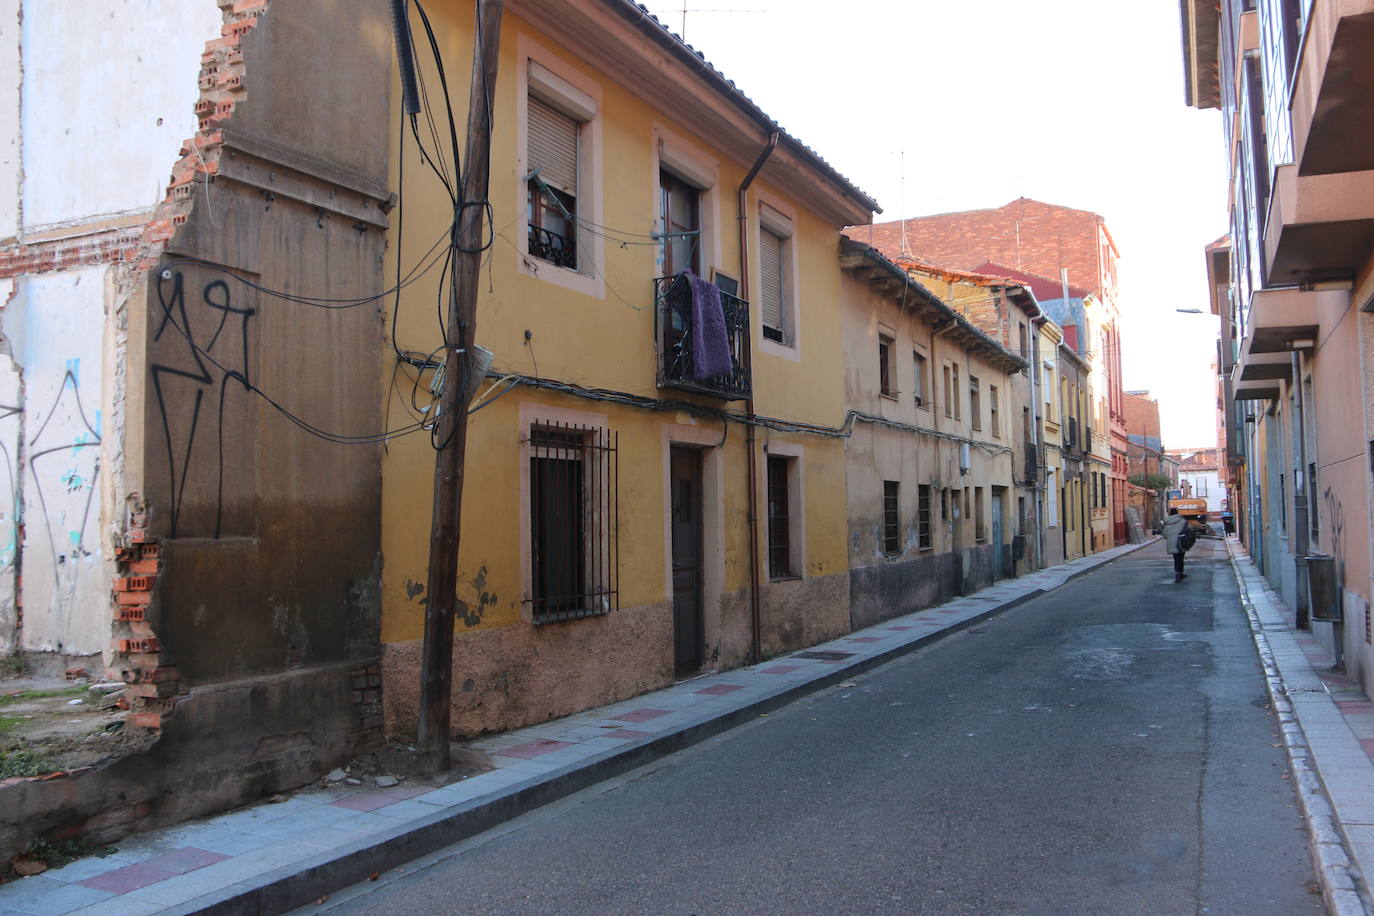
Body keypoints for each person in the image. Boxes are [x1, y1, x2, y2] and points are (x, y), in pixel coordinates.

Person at [1161, 507, 1189, 582]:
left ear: (1170, 513)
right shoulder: (1183, 520)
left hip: (1173, 543)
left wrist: (1170, 538)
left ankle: (1177, 573)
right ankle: (1180, 573)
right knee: (1181, 557)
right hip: (1181, 542)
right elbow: (1188, 530)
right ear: (1177, 512)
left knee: (1176, 558)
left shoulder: (1167, 522)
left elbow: (1164, 534)